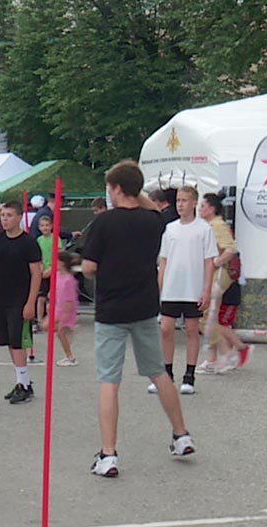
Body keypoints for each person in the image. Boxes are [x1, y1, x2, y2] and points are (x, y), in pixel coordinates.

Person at [81, 160, 195, 477]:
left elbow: (89, 267)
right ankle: (181, 434)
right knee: (159, 373)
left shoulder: (104, 224)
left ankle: (108, 454)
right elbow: (152, 209)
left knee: (109, 380)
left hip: (112, 310)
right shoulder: (153, 221)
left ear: (116, 189)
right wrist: (135, 188)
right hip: (144, 306)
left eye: (110, 188)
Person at [0, 201, 42, 403]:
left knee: (18, 342)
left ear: (20, 217)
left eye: (9, 215)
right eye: (2, 215)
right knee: (9, 343)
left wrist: (30, 303)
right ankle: (23, 382)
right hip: (1, 296)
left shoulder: (28, 242)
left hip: (20, 299)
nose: (5, 219)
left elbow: (36, 273)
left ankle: (24, 385)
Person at [155, 185, 217, 396]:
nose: (180, 204)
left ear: (193, 203)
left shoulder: (204, 229)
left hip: (192, 287)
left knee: (191, 330)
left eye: (184, 200)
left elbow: (209, 262)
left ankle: (189, 375)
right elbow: (164, 260)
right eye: (178, 200)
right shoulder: (170, 229)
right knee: (166, 329)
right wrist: (159, 286)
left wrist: (206, 290)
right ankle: (166, 373)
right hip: (172, 287)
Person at [198, 192, 250, 373]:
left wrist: (216, 262)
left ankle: (229, 352)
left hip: (219, 276)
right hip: (214, 275)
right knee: (208, 316)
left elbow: (231, 248)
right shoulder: (210, 225)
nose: (200, 209)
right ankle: (214, 357)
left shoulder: (217, 225)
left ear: (211, 209)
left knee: (207, 317)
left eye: (202, 206)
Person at [49, 251, 80, 366]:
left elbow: (70, 299)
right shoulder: (57, 276)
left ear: (62, 263)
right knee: (57, 331)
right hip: (58, 307)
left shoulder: (69, 279)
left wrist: (65, 314)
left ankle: (70, 357)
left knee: (60, 332)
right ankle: (70, 333)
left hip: (67, 310)